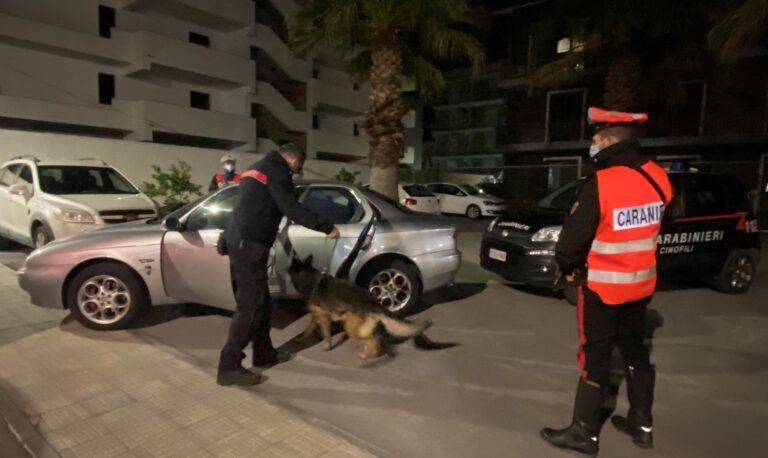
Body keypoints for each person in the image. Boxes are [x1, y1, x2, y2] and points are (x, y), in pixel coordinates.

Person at [540, 107, 673, 455]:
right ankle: (641, 425)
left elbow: (571, 241)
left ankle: (584, 432)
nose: (593, 146)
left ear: (611, 140)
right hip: (640, 286)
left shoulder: (602, 182)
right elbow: (662, 222)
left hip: (601, 288)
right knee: (635, 351)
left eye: (597, 139)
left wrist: (567, 269)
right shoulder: (658, 176)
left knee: (594, 356)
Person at [217, 143, 340, 386]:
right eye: (296, 170)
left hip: (241, 241)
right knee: (249, 307)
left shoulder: (256, 168)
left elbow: (243, 207)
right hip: (248, 245)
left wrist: (226, 235)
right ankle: (228, 367)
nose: (293, 174)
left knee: (262, 301)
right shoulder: (277, 170)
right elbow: (291, 206)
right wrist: (325, 226)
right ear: (293, 162)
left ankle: (264, 353)